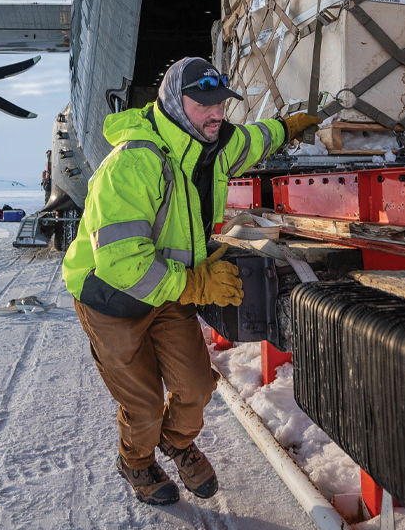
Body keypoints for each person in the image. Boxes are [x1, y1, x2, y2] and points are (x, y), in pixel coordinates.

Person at [62, 57, 320, 505]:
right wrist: (196, 286)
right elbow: (122, 263)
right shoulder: (132, 164)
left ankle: (177, 443)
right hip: (112, 299)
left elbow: (255, 139)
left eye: (220, 102)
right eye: (203, 103)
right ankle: (136, 462)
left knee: (197, 386)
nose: (216, 113)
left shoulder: (214, 142)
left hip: (170, 289)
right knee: (142, 407)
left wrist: (289, 126)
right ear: (172, 104)